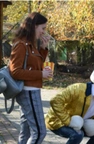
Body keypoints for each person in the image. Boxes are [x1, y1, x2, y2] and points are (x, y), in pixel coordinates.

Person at [9, 12, 52, 143]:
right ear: (34, 26)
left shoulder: (30, 44)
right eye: (42, 28)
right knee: (39, 132)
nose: (44, 32)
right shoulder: (21, 45)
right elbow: (15, 71)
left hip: (32, 90)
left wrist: (43, 49)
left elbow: (35, 65)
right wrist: (41, 74)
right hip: (28, 92)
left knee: (25, 134)